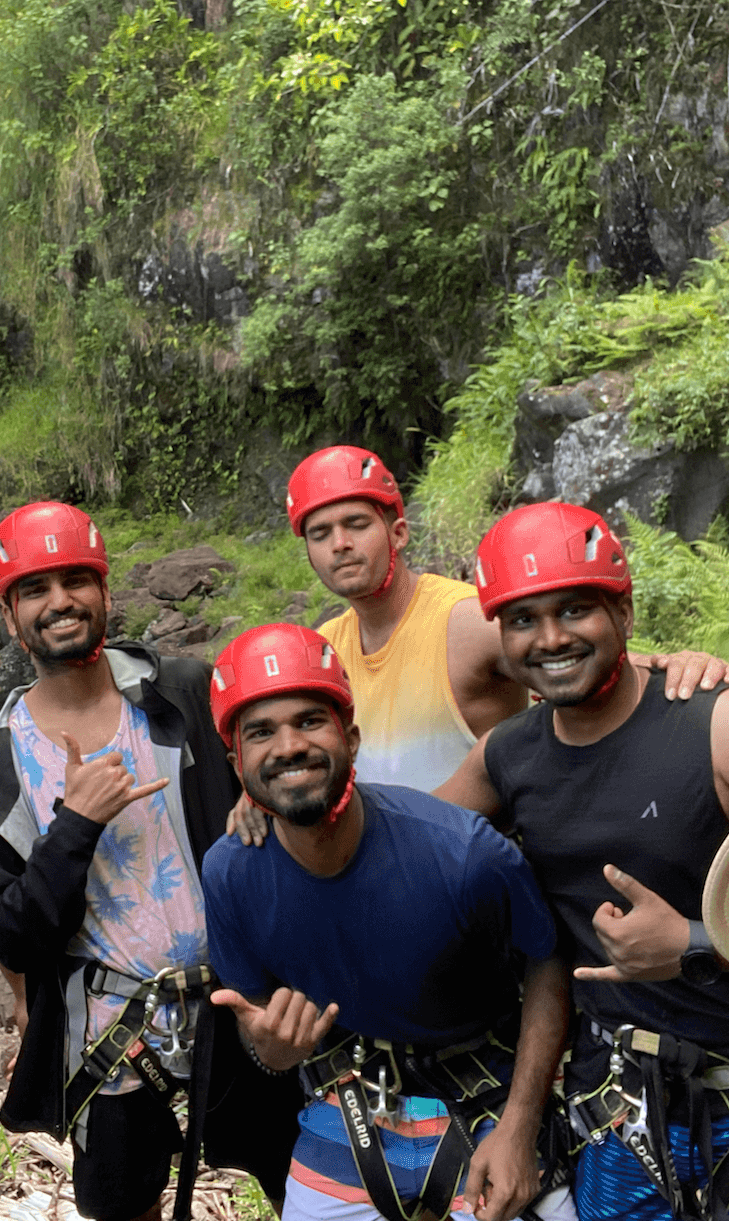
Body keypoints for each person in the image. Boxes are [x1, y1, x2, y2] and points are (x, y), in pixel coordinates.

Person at [0, 502, 301, 1221]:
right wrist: (74, 827)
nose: (60, 601)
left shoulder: (189, 695)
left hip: (237, 1003)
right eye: (34, 589)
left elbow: (288, 763)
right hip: (111, 1039)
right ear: (10, 617)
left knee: (296, 1183)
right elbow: (7, 933)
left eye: (76, 580)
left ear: (105, 593)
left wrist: (263, 798)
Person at [202, 623, 577, 1221]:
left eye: (309, 721)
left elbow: (547, 960)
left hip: (489, 1091)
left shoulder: (463, 854)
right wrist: (270, 1051)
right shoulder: (230, 873)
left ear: (351, 737)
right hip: (350, 1094)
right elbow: (258, 1028)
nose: (289, 746)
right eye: (261, 732)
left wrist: (520, 1125)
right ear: (236, 761)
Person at [436, 502, 729, 1221]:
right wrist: (270, 799)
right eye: (523, 619)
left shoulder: (711, 724)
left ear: (623, 611)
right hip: (618, 1111)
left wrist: (692, 944)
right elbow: (392, 846)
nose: (552, 638)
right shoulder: (509, 756)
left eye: (576, 609)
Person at [260, 446, 726, 794]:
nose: (339, 544)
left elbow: (574, 656)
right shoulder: (322, 648)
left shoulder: (463, 621)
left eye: (356, 525)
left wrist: (679, 667)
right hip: (384, 867)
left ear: (397, 533)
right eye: (320, 534)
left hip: (481, 859)